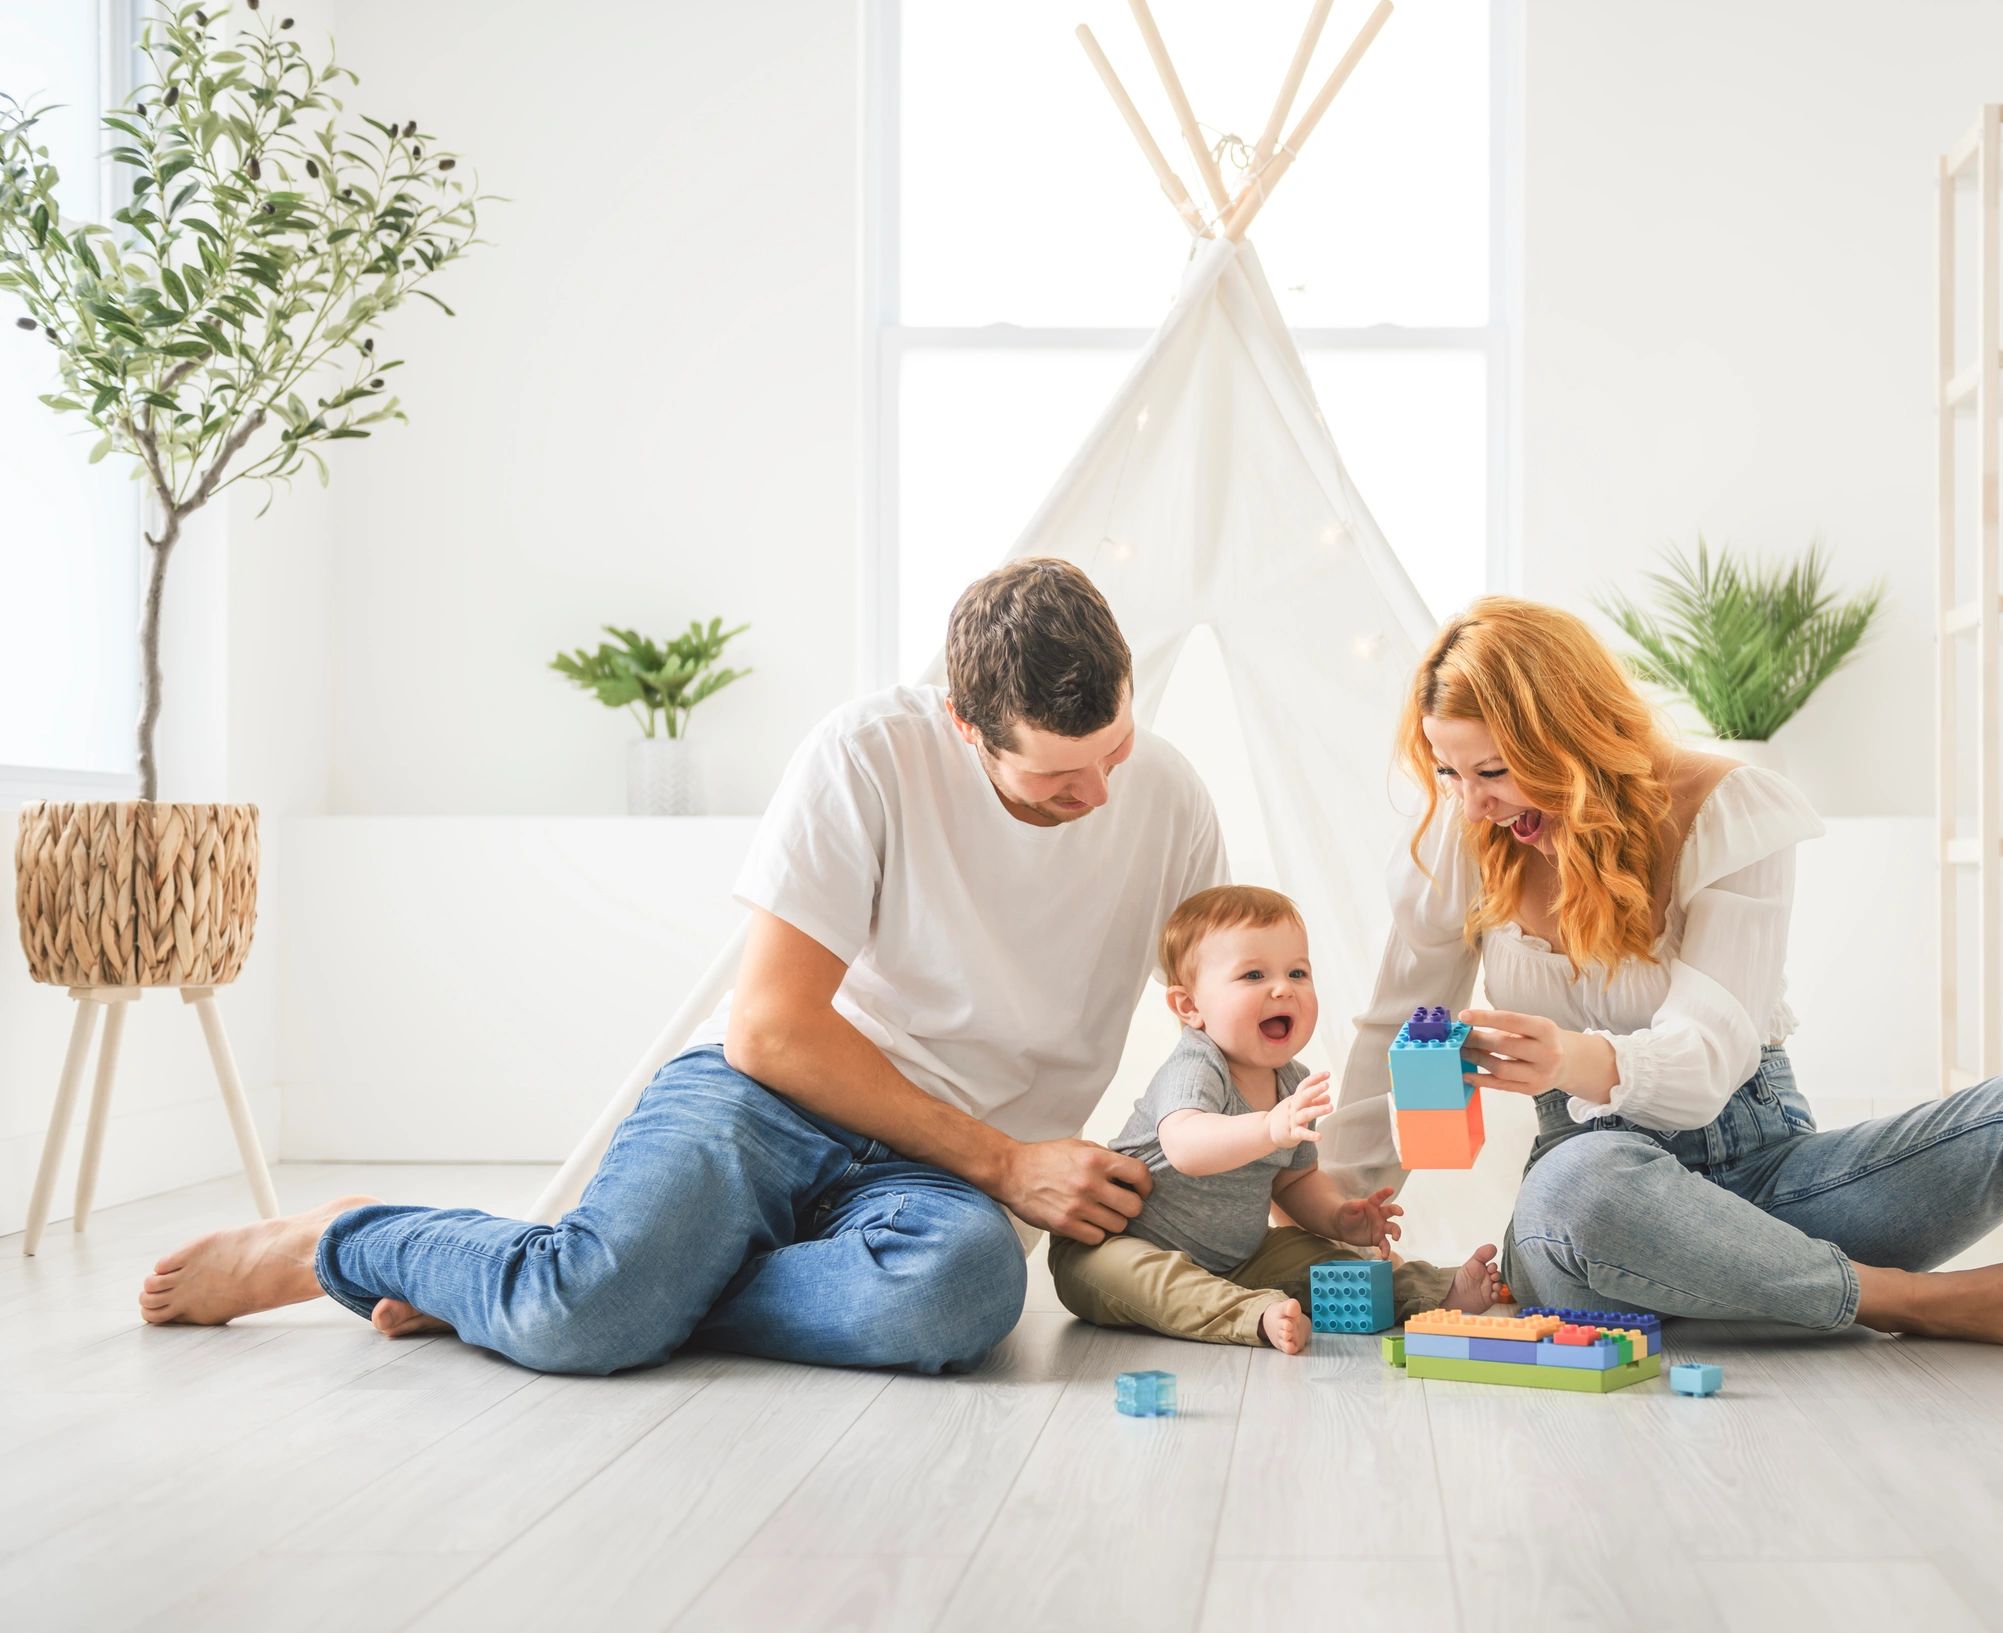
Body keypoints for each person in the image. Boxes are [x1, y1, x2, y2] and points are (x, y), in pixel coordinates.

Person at [137, 558, 1225, 1376]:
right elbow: (772, 1030)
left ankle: (584, 1277)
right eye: (1057, 777)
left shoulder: (1168, 797)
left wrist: (1277, 1163)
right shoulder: (867, 755)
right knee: (580, 1324)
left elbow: (1210, 1019)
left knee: (961, 1294)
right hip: (768, 1100)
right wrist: (1001, 1161)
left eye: (1114, 749)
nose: (1097, 795)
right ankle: (346, 1240)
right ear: (964, 725)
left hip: (924, 1178)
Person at [1326, 597, 2003, 1425]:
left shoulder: (1723, 808)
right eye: (1448, 770)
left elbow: (1710, 1056)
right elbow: (1391, 1024)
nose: (1471, 800)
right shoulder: (1465, 840)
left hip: (1769, 1177)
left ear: (1572, 735)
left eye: (1492, 770)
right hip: (1603, 1212)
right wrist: (1338, 1209)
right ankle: (1895, 1298)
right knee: (1573, 1191)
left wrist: (1573, 1059)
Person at [1049, 883, 1501, 1352]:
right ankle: (1253, 1315)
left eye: (1298, 972)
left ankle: (1429, 1291)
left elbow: (1294, 1183)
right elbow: (1185, 1146)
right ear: (1190, 1008)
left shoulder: (1290, 1081)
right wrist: (1268, 1128)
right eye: (1253, 975)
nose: (1283, 987)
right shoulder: (1198, 1064)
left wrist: (1338, 1217)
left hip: (1235, 1259)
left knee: (1322, 1258)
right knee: (1148, 1278)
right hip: (1114, 1242)